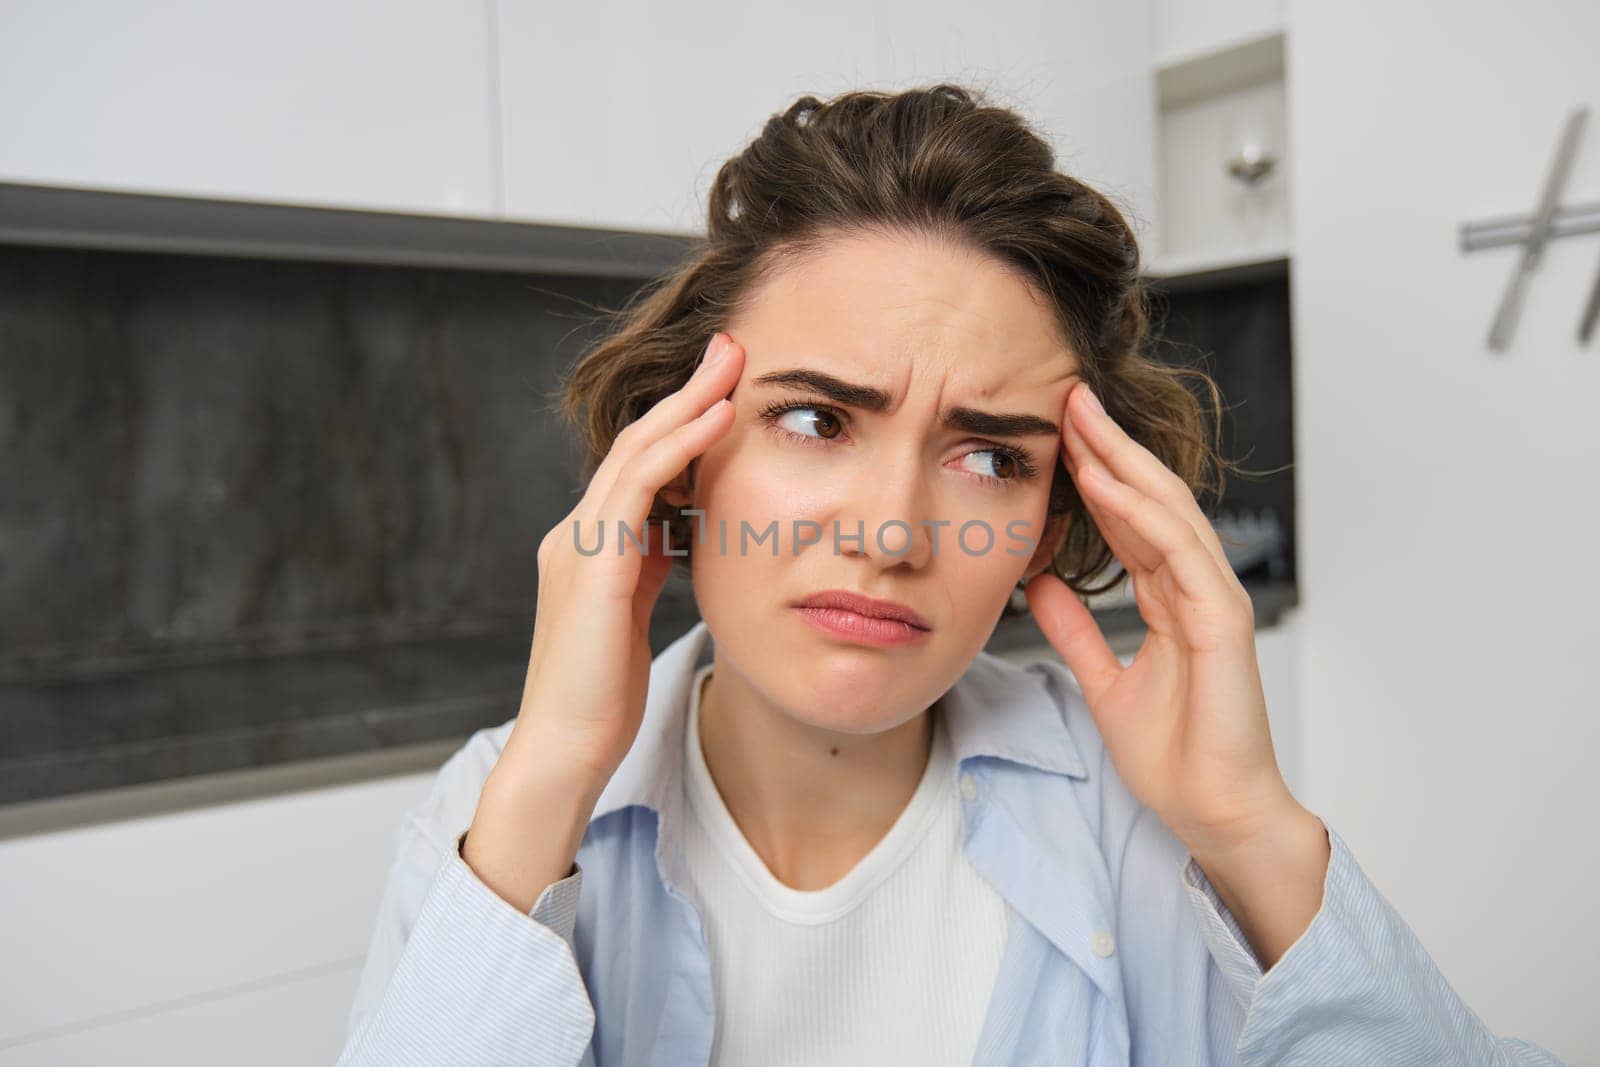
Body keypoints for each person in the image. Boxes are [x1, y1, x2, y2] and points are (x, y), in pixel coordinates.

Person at [334, 84, 1568, 1066]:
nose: (891, 532)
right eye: (817, 419)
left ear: (1049, 516)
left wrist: (1250, 827)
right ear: (683, 451)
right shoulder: (495, 812)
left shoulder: (1134, 818)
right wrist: (552, 774)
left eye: (987, 455)